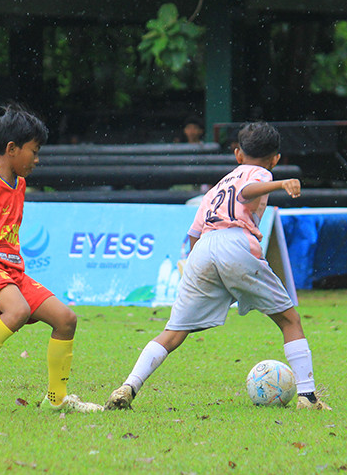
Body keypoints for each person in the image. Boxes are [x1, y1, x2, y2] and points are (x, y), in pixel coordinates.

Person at [106, 121, 329, 411]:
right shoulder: (260, 172)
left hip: (203, 250)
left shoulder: (216, 187)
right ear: (275, 159)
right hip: (236, 243)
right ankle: (308, 398)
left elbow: (193, 234)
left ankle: (128, 386)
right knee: (290, 321)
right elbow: (247, 192)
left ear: (238, 154)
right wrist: (280, 182)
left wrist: (195, 268)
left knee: (173, 333)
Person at [0, 104, 102, 416]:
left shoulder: (20, 183)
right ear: (12, 148)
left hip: (12, 270)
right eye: (34, 150)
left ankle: (57, 399)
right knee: (17, 311)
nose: (37, 158)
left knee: (66, 319)